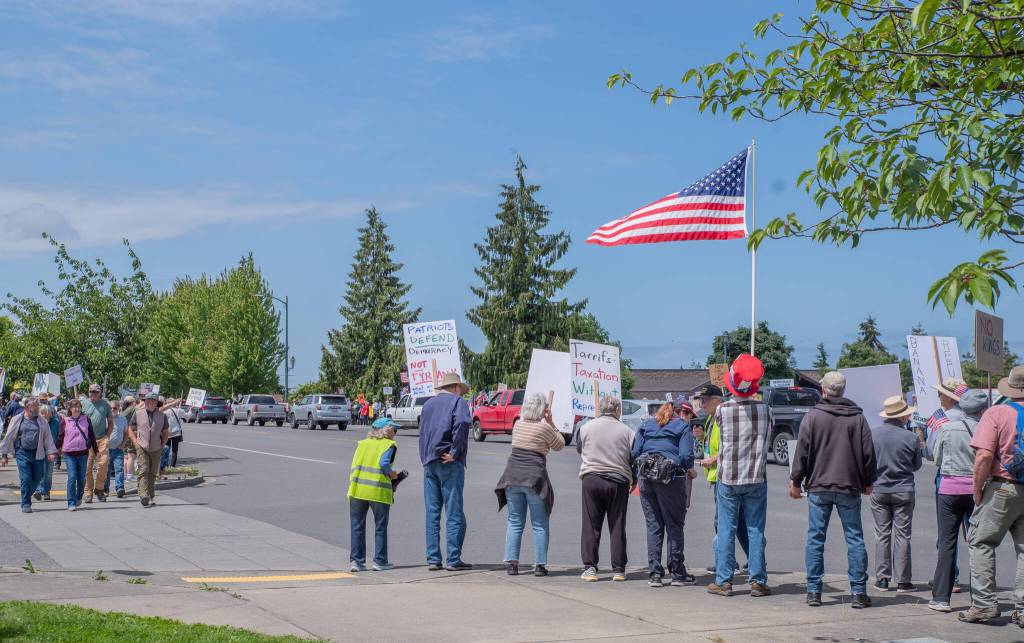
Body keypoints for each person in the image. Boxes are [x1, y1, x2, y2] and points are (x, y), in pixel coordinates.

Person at [789, 371, 876, 609]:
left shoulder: (813, 416)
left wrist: (796, 481)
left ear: (823, 390)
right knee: (854, 538)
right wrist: (869, 481)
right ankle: (858, 592)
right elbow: (868, 453)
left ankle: (814, 591)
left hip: (819, 485)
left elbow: (802, 452)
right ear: (843, 391)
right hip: (849, 485)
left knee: (816, 538)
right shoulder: (857, 417)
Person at [960, 365, 1024, 625]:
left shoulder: (997, 412)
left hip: (1003, 488)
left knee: (981, 542)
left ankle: (985, 604)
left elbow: (984, 455)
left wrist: (977, 489)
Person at [708, 354, 773, 598]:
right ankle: (758, 579)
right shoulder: (766, 410)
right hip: (756, 477)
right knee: (756, 529)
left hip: (729, 478)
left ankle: (724, 581)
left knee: (726, 529)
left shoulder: (722, 411)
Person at [929, 389, 988, 612]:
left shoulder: (947, 428)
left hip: (949, 489)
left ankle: (941, 598)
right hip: (978, 490)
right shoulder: (987, 429)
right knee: (977, 543)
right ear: (983, 410)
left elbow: (937, 459)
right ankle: (980, 598)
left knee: (947, 542)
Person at [495, 392, 565, 577]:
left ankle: (512, 564)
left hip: (512, 476)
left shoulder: (518, 424)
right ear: (543, 409)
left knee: (515, 521)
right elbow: (560, 445)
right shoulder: (544, 428)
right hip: (534, 479)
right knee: (539, 523)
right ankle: (540, 565)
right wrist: (551, 423)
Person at [632, 401, 696, 587]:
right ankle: (677, 573)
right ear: (679, 413)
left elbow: (635, 452)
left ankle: (655, 574)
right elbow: (685, 456)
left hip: (646, 478)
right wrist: (687, 469)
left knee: (653, 525)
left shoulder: (645, 425)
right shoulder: (683, 427)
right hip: (671, 479)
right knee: (674, 525)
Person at [418, 373, 472, 571]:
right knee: (453, 511)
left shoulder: (428, 405)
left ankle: (433, 558)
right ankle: (452, 558)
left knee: (432, 513)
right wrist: (455, 452)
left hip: (430, 460)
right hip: (449, 461)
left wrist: (424, 456)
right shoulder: (459, 402)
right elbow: (463, 423)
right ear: (457, 387)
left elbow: (422, 430)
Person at [576, 395, 634, 582]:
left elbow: (579, 448)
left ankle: (590, 567)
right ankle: (618, 569)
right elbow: (633, 455)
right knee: (617, 524)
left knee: (591, 525)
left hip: (592, 478)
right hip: (618, 480)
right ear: (618, 410)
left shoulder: (585, 428)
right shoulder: (627, 430)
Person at [870, 395, 923, 593]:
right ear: (903, 416)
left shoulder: (873, 435)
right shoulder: (911, 437)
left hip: (879, 488)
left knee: (882, 534)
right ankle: (903, 580)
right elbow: (916, 465)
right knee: (903, 535)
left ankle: (882, 579)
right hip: (904, 489)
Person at [697, 384, 749, 574]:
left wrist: (713, 459)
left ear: (718, 400)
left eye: (705, 400)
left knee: (724, 523)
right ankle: (746, 561)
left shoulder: (723, 418)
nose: (701, 404)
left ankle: (727, 564)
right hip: (718, 476)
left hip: (726, 476)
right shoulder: (712, 417)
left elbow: (731, 446)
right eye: (700, 401)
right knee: (738, 522)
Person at [348, 417, 405, 572]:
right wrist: (392, 475)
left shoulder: (362, 444)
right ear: (386, 430)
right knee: (380, 526)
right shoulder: (389, 445)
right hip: (377, 491)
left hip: (357, 490)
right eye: (394, 429)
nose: (395, 433)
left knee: (356, 526)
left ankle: (356, 562)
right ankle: (379, 561)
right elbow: (384, 463)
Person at [0, 397, 58, 513]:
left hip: (38, 453)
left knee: (37, 478)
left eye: (38, 406)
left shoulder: (42, 421)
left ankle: (27, 494)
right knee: (25, 478)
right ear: (26, 407)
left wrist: (51, 452)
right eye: (34, 406)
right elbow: (8, 437)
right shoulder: (17, 419)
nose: (37, 408)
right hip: (22, 452)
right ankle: (26, 503)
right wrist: (4, 455)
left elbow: (48, 438)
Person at [56, 398, 99, 511]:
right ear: (69, 409)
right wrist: (54, 450)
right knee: (72, 477)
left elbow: (92, 436)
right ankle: (71, 502)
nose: (77, 408)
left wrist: (96, 451)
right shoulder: (64, 421)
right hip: (69, 453)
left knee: (81, 478)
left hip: (83, 453)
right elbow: (60, 437)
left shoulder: (86, 419)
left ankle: (79, 496)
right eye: (74, 406)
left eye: (79, 406)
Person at [127, 393, 169, 508]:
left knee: (152, 472)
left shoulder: (162, 416)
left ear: (156, 403)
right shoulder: (138, 413)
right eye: (148, 401)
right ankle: (143, 494)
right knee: (144, 469)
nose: (150, 403)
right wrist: (135, 442)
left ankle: (150, 495)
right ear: (145, 402)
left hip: (156, 447)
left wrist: (163, 444)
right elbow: (130, 429)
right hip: (141, 445)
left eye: (153, 401)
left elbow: (166, 432)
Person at [81, 384, 114, 504]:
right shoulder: (83, 404)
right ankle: (88, 491)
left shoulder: (105, 404)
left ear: (100, 393)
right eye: (91, 391)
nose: (93, 394)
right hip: (88, 441)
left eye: (95, 392)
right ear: (88, 392)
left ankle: (99, 489)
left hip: (101, 439)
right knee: (87, 468)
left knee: (104, 463)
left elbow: (110, 422)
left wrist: (107, 436)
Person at [33, 404, 62, 501]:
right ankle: (38, 490)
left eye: (46, 413)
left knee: (48, 472)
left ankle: (46, 491)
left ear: (50, 414)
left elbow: (60, 436)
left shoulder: (56, 423)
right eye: (42, 413)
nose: (44, 415)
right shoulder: (37, 422)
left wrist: (59, 448)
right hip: (39, 450)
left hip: (51, 451)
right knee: (39, 471)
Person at [104, 399, 128, 498]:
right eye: (111, 408)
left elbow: (126, 433)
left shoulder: (123, 419)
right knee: (106, 471)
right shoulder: (105, 419)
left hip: (118, 450)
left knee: (119, 469)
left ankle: (119, 488)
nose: (113, 410)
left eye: (115, 408)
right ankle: (105, 490)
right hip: (107, 449)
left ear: (118, 408)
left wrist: (123, 444)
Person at [161, 398, 184, 471]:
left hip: (167, 432)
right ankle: (172, 466)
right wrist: (191, 409)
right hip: (176, 432)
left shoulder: (165, 411)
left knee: (166, 449)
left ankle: (165, 465)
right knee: (175, 450)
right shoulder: (179, 410)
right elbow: (187, 416)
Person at [120, 396, 138, 482]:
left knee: (125, 456)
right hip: (131, 433)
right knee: (131, 456)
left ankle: (125, 474)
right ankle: (129, 475)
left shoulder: (123, 410)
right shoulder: (132, 409)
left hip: (124, 434)